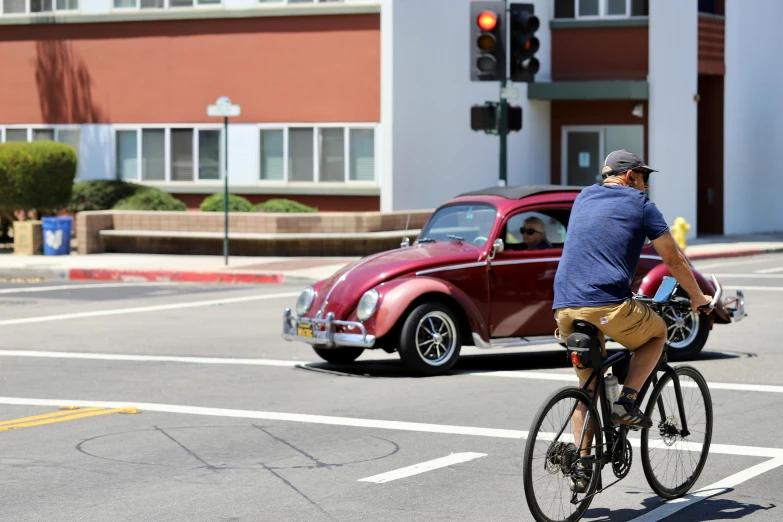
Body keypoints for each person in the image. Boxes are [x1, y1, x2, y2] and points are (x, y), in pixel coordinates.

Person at [551, 149, 713, 492]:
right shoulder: (641, 205)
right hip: (608, 304)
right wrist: (698, 297)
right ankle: (626, 402)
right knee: (656, 333)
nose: (646, 186)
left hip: (564, 307)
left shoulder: (583, 197)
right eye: (644, 178)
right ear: (629, 177)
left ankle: (582, 466)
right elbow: (674, 259)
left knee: (589, 386)